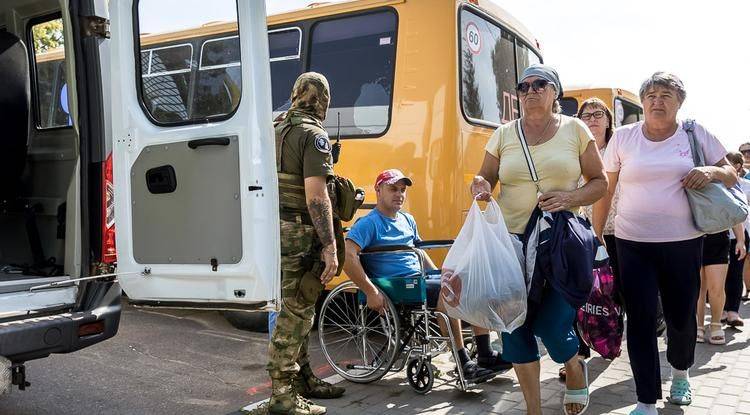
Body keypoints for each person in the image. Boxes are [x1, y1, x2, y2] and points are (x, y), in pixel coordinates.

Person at [594, 72, 736, 415]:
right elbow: (606, 188)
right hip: (632, 243)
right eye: (652, 95)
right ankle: (645, 399)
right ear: (642, 102)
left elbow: (730, 172)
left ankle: (681, 372)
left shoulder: (693, 133)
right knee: (640, 320)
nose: (658, 101)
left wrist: (711, 172)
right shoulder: (625, 138)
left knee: (681, 318)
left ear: (679, 102)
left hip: (683, 243)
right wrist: (596, 235)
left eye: (666, 95)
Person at [471, 63, 608, 415]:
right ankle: (533, 409)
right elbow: (484, 177)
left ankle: (574, 366)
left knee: (551, 322)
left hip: (561, 246)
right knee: (514, 330)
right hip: (512, 246)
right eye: (523, 86)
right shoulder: (503, 134)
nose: (530, 90)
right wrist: (481, 187)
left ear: (555, 92)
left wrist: (568, 198)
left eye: (540, 84)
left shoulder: (575, 129)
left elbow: (599, 182)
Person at [343, 169, 512, 384]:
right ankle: (462, 361)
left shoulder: (407, 219)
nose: (399, 194)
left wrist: (441, 274)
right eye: (393, 189)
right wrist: (371, 291)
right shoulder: (368, 224)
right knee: (448, 292)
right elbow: (348, 256)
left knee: (470, 283)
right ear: (378, 190)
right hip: (396, 284)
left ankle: (485, 354)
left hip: (417, 279)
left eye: (402, 190)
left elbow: (420, 251)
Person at [267, 72, 345, 415]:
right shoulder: (313, 135)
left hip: (272, 229)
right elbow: (317, 196)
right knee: (297, 309)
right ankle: (283, 396)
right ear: (323, 100)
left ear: (296, 94)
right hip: (298, 231)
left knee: (294, 306)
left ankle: (302, 380)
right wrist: (329, 246)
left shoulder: (274, 128)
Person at [723, 151, 750, 326]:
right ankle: (722, 310)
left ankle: (733, 311)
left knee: (735, 273)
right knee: (720, 275)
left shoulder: (747, 186)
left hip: (740, 235)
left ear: (738, 166)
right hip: (719, 234)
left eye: (728, 164)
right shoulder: (717, 184)